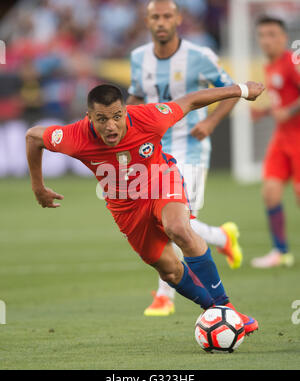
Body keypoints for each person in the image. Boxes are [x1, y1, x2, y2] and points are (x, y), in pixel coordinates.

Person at [26, 82, 264, 336]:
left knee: (179, 229)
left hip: (162, 182)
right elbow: (33, 136)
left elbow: (191, 100)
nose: (111, 125)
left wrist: (241, 90)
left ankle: (227, 309)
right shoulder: (75, 136)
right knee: (170, 272)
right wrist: (38, 187)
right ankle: (215, 310)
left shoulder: (149, 118)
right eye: (101, 119)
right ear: (89, 118)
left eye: (117, 116)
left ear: (126, 111)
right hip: (126, 208)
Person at [127, 0, 241, 316]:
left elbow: (231, 89)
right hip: (152, 152)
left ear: (178, 19)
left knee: (176, 224)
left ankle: (165, 295)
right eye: (155, 17)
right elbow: (136, 97)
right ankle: (222, 236)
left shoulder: (199, 56)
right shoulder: (138, 58)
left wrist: (211, 122)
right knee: (170, 222)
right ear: (147, 21)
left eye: (167, 16)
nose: (161, 22)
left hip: (189, 149)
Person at [251, 16, 300, 268]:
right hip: (282, 137)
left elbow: (293, 103)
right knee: (270, 192)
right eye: (262, 35)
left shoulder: (293, 61)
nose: (266, 40)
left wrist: (290, 111)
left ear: (283, 37)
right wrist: (266, 112)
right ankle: (280, 251)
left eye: (272, 34)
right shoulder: (269, 65)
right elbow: (284, 101)